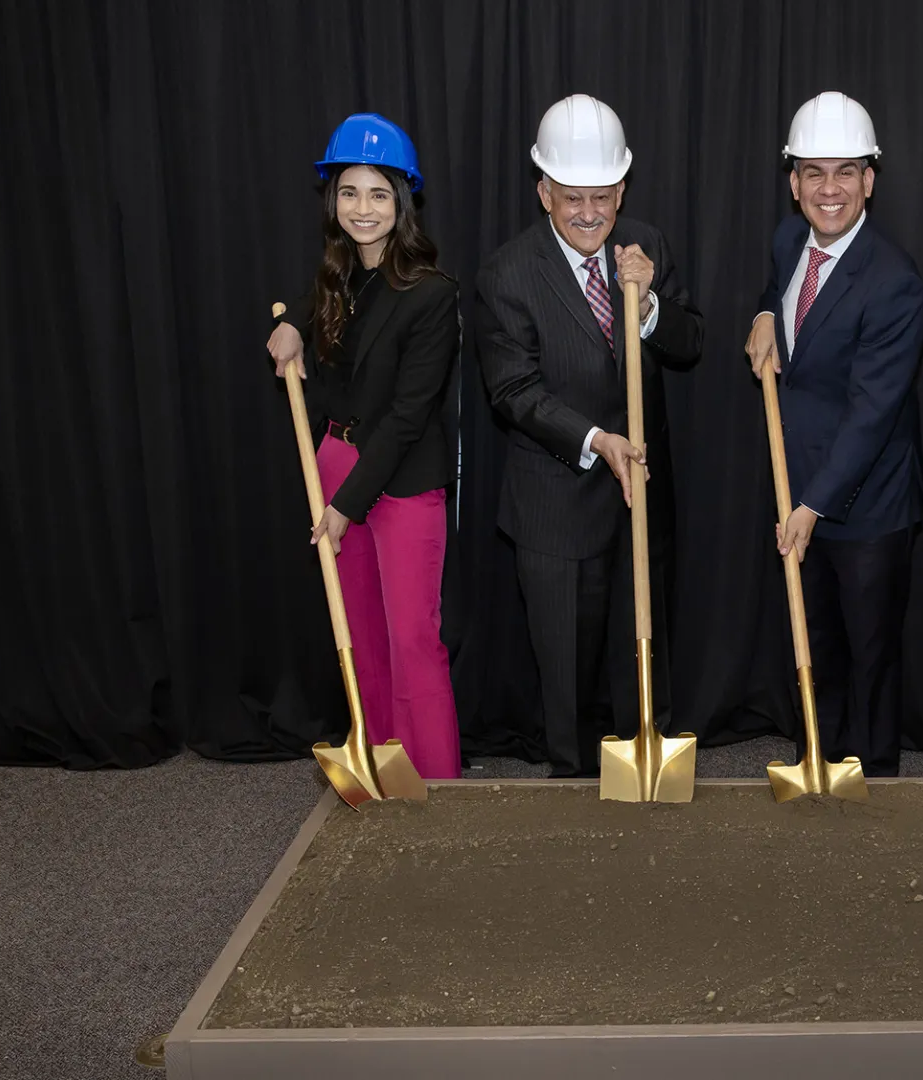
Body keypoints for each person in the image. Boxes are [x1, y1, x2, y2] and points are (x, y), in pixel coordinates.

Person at [474, 94, 704, 778]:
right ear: (543, 190)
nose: (589, 213)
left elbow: (690, 343)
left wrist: (652, 305)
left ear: (622, 187)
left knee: (642, 662)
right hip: (557, 504)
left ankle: (645, 783)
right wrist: (597, 438)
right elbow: (514, 391)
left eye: (602, 195)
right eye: (572, 196)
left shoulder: (648, 245)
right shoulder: (507, 274)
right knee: (568, 682)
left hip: (641, 501)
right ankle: (571, 796)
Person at [265, 112, 464, 780]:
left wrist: (347, 505)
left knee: (412, 639)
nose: (363, 208)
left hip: (399, 477)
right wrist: (293, 323)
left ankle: (433, 781)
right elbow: (313, 297)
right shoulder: (338, 274)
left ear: (402, 200)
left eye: (378, 193)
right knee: (361, 639)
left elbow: (410, 418)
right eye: (349, 192)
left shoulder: (432, 295)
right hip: (336, 460)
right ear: (333, 199)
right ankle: (380, 768)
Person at [743, 92, 923, 777]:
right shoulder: (789, 241)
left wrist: (811, 506)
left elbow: (872, 412)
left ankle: (875, 785)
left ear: (870, 181)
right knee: (809, 643)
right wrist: (765, 311)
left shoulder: (895, 283)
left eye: (845, 172)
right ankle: (814, 769)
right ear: (793, 183)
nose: (830, 189)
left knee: (869, 657)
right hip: (800, 487)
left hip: (866, 504)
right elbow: (780, 293)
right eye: (814, 173)